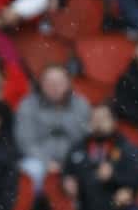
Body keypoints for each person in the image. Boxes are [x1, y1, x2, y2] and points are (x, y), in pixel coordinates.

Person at [14, 66, 90, 196]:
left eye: (59, 83)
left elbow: (84, 138)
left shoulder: (81, 104)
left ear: (68, 84)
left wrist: (68, 164)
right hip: (38, 159)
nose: (54, 87)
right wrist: (46, 162)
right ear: (41, 84)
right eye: (49, 83)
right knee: (31, 171)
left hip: (73, 159)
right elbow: (25, 141)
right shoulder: (27, 105)